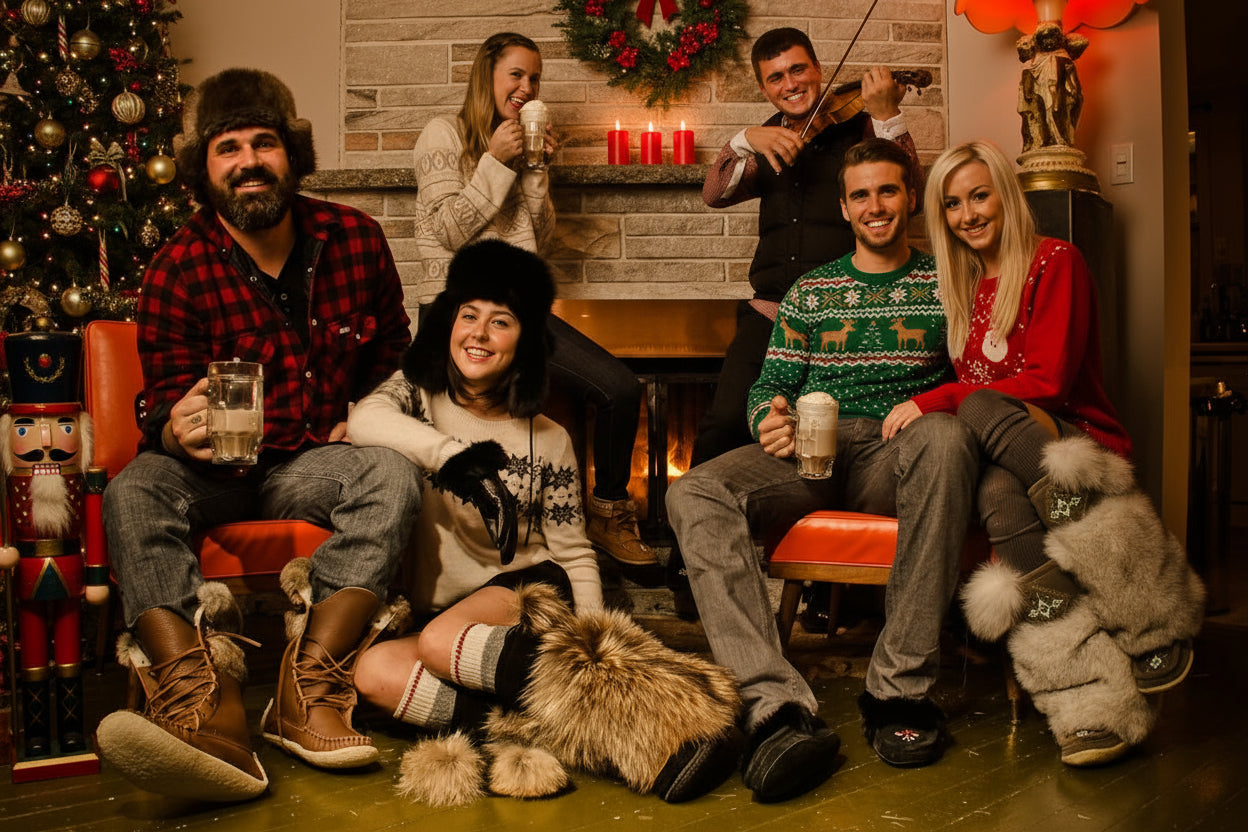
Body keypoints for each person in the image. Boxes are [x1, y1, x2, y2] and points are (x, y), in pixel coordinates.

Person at [94, 68, 422, 803]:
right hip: (210, 471)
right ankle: (201, 707)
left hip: (309, 461)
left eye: (263, 142)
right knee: (135, 488)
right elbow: (164, 395)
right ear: (203, 169)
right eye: (228, 147)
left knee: (393, 473)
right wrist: (173, 429)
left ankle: (310, 688)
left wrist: (368, 412)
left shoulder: (356, 241)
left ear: (291, 154)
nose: (248, 160)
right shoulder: (177, 267)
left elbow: (396, 358)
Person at [347, 240, 739, 805]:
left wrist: (598, 643)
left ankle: (653, 721)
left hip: (528, 594)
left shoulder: (549, 437)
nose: (478, 334)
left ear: (525, 341)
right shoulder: (415, 399)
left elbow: (574, 551)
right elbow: (365, 419)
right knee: (375, 672)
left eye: (500, 322)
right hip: (447, 616)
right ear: (449, 325)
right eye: (468, 316)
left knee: (438, 642)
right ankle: (557, 733)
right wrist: (450, 455)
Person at [666, 139, 980, 803]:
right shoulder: (812, 292)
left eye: (888, 190)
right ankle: (773, 708)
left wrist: (925, 408)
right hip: (812, 450)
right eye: (860, 194)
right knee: (695, 491)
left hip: (897, 454)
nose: (875, 205)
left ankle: (899, 692)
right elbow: (770, 382)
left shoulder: (948, 284)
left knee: (949, 438)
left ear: (910, 198)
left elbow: (974, 384)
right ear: (844, 207)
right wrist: (765, 417)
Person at [906, 140, 1205, 767]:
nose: (968, 214)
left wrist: (935, 398)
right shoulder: (962, 286)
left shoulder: (1054, 260)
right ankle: (1093, 706)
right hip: (1012, 463)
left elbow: (1046, 383)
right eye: (953, 204)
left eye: (979, 195)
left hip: (1072, 437)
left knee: (982, 406)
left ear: (1006, 196)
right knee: (992, 490)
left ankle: (1150, 618)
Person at [413, 31, 655, 567]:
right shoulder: (442, 135)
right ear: (487, 76)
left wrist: (536, 170)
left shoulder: (522, 147)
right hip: (456, 313)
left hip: (519, 312)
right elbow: (451, 231)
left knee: (619, 386)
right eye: (516, 74)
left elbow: (538, 238)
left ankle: (608, 511)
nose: (527, 87)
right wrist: (496, 162)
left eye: (535, 78)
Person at [694, 27, 919, 467]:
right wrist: (743, 139)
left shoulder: (862, 128)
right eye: (776, 77)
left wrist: (889, 117)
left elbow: (912, 191)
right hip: (770, 311)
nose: (790, 84)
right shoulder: (768, 141)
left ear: (817, 69)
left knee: (825, 430)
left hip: (839, 311)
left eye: (798, 69)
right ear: (764, 88)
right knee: (723, 424)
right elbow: (714, 193)